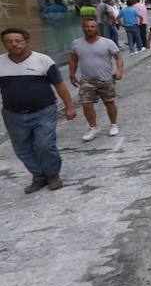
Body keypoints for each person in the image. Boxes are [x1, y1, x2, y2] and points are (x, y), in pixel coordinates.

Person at [0, 27, 77, 193]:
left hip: (43, 112)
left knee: (45, 145)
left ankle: (53, 175)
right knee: (22, 149)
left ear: (27, 41)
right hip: (12, 115)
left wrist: (69, 107)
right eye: (9, 41)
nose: (14, 44)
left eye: (18, 40)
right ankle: (39, 177)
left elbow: (60, 86)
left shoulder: (43, 60)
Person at [69, 18, 123, 141]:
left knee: (109, 103)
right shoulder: (76, 43)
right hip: (87, 80)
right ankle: (93, 127)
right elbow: (73, 59)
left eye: (92, 27)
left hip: (106, 79)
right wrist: (72, 75)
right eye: (87, 26)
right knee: (86, 104)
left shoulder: (107, 42)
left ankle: (113, 124)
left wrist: (119, 70)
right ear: (83, 28)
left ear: (97, 28)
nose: (89, 29)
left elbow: (118, 57)